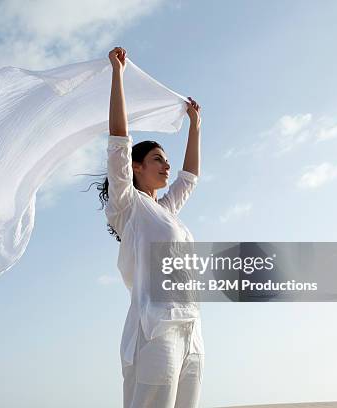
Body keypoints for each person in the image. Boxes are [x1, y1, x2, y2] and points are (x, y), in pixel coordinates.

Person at [97, 46, 205, 408]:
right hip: (155, 327)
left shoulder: (166, 211)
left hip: (190, 325)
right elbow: (118, 141)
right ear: (136, 167)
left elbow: (189, 178)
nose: (166, 167)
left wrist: (195, 126)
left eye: (166, 160)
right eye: (158, 159)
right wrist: (117, 74)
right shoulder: (128, 207)